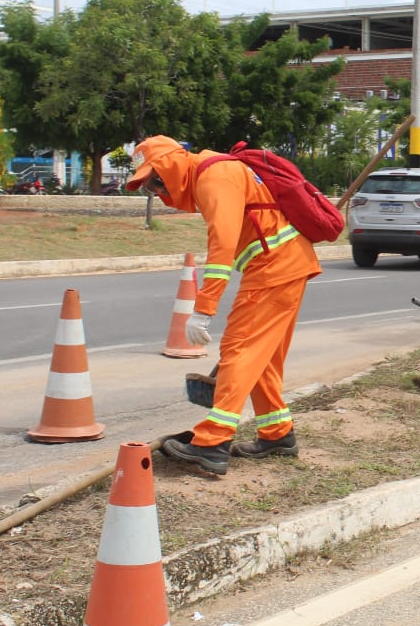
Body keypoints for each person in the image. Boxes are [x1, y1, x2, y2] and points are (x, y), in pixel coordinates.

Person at [126, 135, 322, 474]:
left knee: (239, 350)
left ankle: (212, 443)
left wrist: (203, 308)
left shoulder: (214, 176)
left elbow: (222, 245)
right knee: (262, 358)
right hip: (286, 265)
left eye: (154, 181)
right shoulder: (215, 173)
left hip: (274, 268)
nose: (156, 192)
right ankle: (278, 433)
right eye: (148, 188)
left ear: (169, 166)